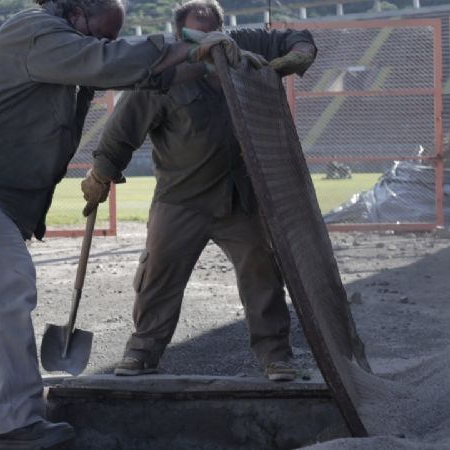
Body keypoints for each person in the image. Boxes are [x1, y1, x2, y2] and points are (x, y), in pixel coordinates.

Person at [0, 0, 247, 448]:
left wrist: (206, 61)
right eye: (100, 33)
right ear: (75, 12)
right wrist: (184, 48)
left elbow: (144, 74)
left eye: (108, 38)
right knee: (9, 285)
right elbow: (105, 62)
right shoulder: (34, 31)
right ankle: (14, 423)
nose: (101, 43)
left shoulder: (57, 41)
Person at [81, 0, 317, 382]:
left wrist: (301, 54)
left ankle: (276, 356)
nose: (207, 45)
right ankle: (143, 351)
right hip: (181, 200)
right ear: (180, 37)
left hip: (238, 198)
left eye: (213, 34)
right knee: (158, 274)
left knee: (263, 274)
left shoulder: (242, 49)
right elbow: (122, 131)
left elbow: (296, 38)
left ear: (224, 31)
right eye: (195, 37)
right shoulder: (163, 75)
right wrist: (101, 175)